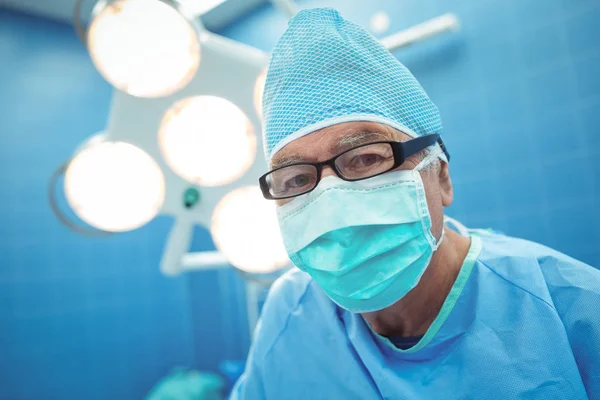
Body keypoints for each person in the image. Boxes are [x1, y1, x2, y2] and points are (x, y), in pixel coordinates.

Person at [231, 8, 600, 399]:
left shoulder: (573, 312)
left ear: (440, 176)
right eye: (298, 179)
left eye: (366, 158)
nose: (329, 197)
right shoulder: (289, 314)